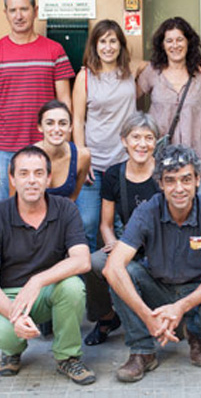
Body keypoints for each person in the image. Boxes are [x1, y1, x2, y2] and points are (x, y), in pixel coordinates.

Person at [104, 145, 201, 383]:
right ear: (160, 184)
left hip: (196, 292)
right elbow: (112, 266)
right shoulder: (147, 210)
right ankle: (142, 350)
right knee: (121, 273)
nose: (179, 188)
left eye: (186, 179)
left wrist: (180, 307)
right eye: (170, 181)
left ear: (197, 179)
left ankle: (196, 334)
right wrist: (147, 317)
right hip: (158, 288)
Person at [0, 146, 95, 383]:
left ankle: (67, 356)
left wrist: (37, 280)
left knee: (72, 286)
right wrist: (15, 315)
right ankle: (12, 351)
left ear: (48, 178)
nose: (32, 181)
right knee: (7, 335)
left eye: (39, 173)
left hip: (45, 291)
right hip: (6, 295)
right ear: (12, 178)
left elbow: (82, 260)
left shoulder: (65, 209)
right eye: (24, 173)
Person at [0, 0, 75, 204]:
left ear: (35, 10)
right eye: (13, 10)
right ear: (5, 13)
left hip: (47, 145)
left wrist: (65, 145)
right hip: (4, 150)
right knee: (4, 212)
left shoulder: (54, 50)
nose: (19, 16)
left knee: (48, 208)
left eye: (24, 9)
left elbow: (65, 103)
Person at [84, 112, 161, 346]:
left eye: (148, 138)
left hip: (160, 247)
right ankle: (106, 317)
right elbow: (106, 224)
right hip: (127, 245)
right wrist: (115, 245)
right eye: (135, 137)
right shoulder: (114, 175)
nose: (142, 144)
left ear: (156, 142)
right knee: (93, 263)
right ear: (124, 141)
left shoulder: (164, 173)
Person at [72, 19, 137, 250]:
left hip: (124, 163)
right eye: (102, 41)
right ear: (94, 45)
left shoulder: (132, 70)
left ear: (120, 45)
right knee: (87, 223)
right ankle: (83, 283)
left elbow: (163, 64)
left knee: (125, 225)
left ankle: (123, 282)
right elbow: (78, 121)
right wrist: (83, 156)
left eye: (113, 41)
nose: (108, 47)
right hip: (94, 163)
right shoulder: (85, 77)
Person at [138, 17, 201, 192]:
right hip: (161, 156)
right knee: (162, 210)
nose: (175, 45)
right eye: (169, 41)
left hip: (196, 154)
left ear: (188, 42)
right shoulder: (152, 72)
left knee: (195, 209)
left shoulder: (200, 74)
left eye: (180, 39)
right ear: (162, 45)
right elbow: (129, 100)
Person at [34, 100, 90, 200]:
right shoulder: (24, 158)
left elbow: (72, 199)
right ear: (40, 127)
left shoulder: (82, 156)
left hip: (63, 214)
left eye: (62, 123)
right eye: (50, 123)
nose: (56, 129)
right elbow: (16, 203)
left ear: (70, 127)